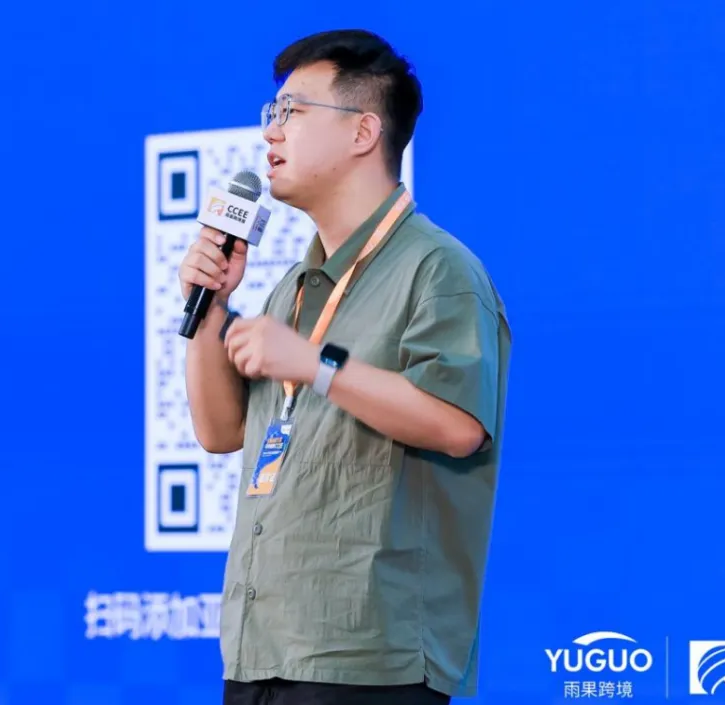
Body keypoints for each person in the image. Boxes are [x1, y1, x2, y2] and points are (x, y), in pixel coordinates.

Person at [179, 28, 511, 705]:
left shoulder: (438, 269)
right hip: (262, 647)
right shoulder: (293, 289)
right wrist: (211, 308)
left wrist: (315, 363)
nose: (270, 131)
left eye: (292, 111)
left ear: (363, 131)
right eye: (271, 111)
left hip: (369, 659)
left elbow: (457, 426)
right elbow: (219, 431)